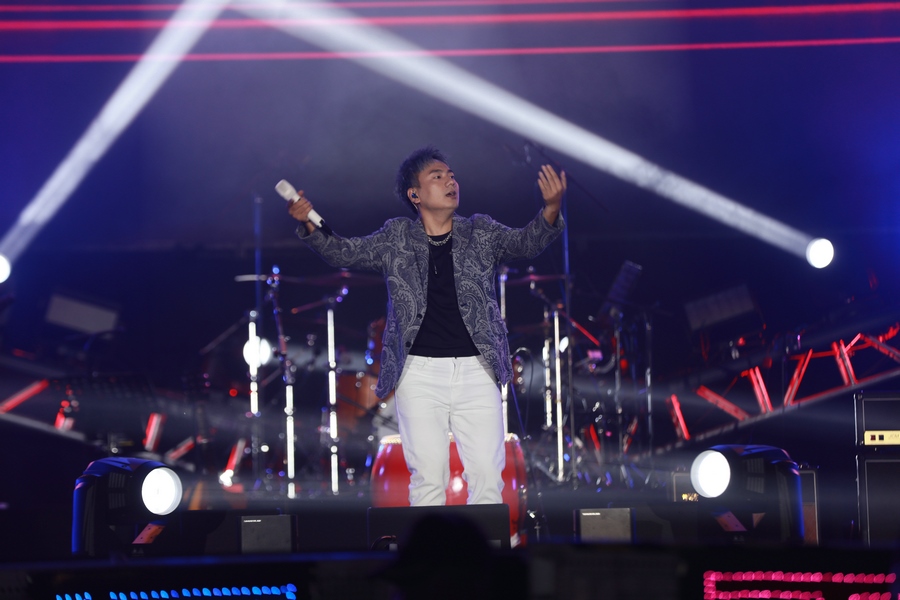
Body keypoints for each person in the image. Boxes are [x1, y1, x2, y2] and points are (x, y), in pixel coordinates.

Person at [288, 145, 565, 506]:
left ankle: (486, 544)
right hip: (418, 373)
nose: (451, 182)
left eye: (452, 176)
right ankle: (429, 544)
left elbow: (526, 243)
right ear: (415, 194)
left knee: (487, 475)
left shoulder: (480, 230)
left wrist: (551, 207)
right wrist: (308, 221)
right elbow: (345, 252)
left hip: (477, 370)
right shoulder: (397, 237)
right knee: (428, 479)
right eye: (438, 176)